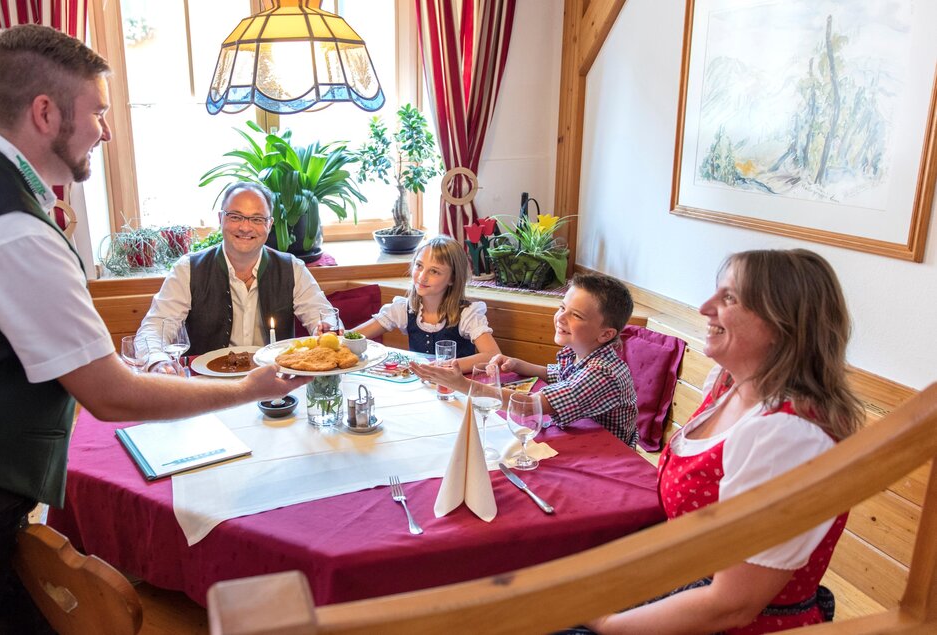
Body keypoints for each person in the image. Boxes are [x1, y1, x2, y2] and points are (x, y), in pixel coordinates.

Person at [0, 24, 308, 634]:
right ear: (45, 111)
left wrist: (117, 362)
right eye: (99, 112)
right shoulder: (11, 226)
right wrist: (250, 389)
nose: (106, 130)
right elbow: (110, 397)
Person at [581, 249, 865, 634]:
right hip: (682, 588)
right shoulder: (729, 385)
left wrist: (605, 623)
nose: (704, 307)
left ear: (782, 324)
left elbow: (732, 605)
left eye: (729, 298)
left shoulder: (786, 436)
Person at [412, 271, 638, 446]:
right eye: (562, 307)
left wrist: (462, 385)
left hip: (606, 454)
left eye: (576, 315)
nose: (561, 317)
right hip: (579, 434)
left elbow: (529, 406)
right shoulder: (581, 350)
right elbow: (557, 374)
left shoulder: (601, 373)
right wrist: (518, 364)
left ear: (606, 334)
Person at [136, 181, 334, 371]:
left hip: (273, 384)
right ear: (221, 219)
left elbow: (324, 318)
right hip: (209, 388)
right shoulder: (187, 269)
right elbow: (154, 329)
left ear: (270, 224)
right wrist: (157, 361)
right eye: (235, 216)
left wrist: (327, 329)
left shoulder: (292, 268)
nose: (245, 227)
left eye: (257, 219)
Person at [351, 234, 500, 371]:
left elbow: (492, 355)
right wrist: (332, 336)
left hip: (455, 391)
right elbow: (352, 337)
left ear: (452, 279)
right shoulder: (403, 309)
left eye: (434, 271)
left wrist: (445, 366)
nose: (422, 277)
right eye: (419, 266)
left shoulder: (467, 314)